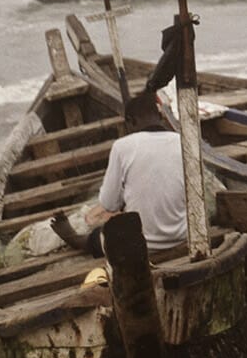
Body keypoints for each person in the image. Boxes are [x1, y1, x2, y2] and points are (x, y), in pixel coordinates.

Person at [52, 90, 187, 256]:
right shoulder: (181, 140)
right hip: (183, 236)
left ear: (130, 122)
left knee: (98, 237)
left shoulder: (122, 146)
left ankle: (73, 238)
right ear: (160, 117)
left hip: (142, 244)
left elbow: (108, 204)